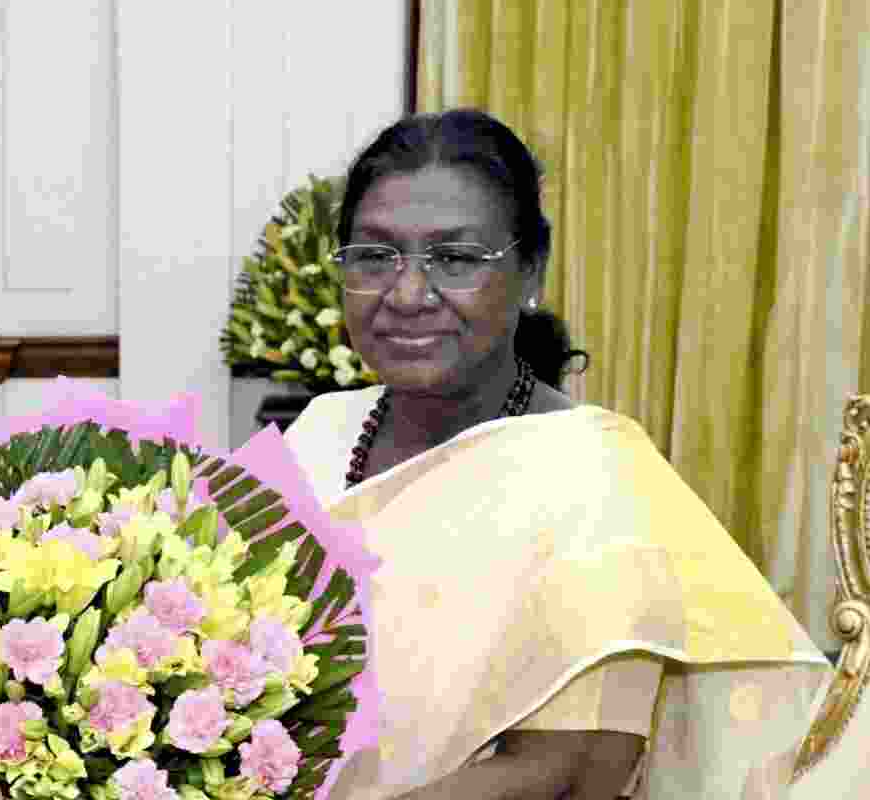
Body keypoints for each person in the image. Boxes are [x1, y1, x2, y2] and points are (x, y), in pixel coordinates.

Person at [289, 110, 830, 799]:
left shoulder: (595, 478)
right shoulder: (317, 433)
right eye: (374, 255)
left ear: (529, 273)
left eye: (455, 259)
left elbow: (570, 775)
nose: (407, 293)